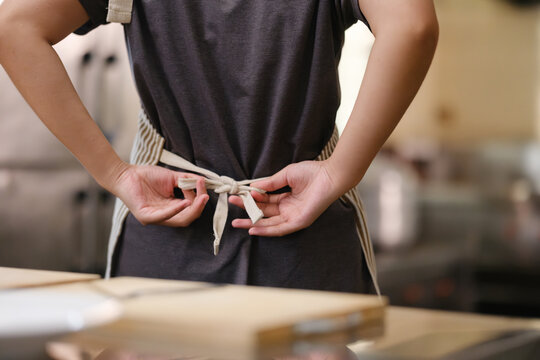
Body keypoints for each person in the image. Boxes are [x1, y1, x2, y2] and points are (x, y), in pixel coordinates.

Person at [0, 0, 438, 295]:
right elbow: (413, 25)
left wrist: (114, 173)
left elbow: (13, 25)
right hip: (306, 245)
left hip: (165, 239)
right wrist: (337, 172)